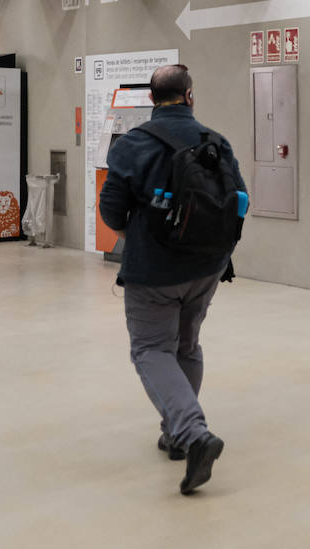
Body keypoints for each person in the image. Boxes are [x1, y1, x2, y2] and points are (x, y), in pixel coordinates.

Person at [99, 64, 246, 494]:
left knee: (150, 348)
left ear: (151, 99)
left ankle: (194, 433)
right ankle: (175, 434)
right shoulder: (216, 142)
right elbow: (237, 198)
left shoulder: (132, 146)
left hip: (154, 271)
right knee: (187, 345)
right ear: (190, 96)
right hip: (208, 267)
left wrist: (137, 235)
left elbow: (111, 212)